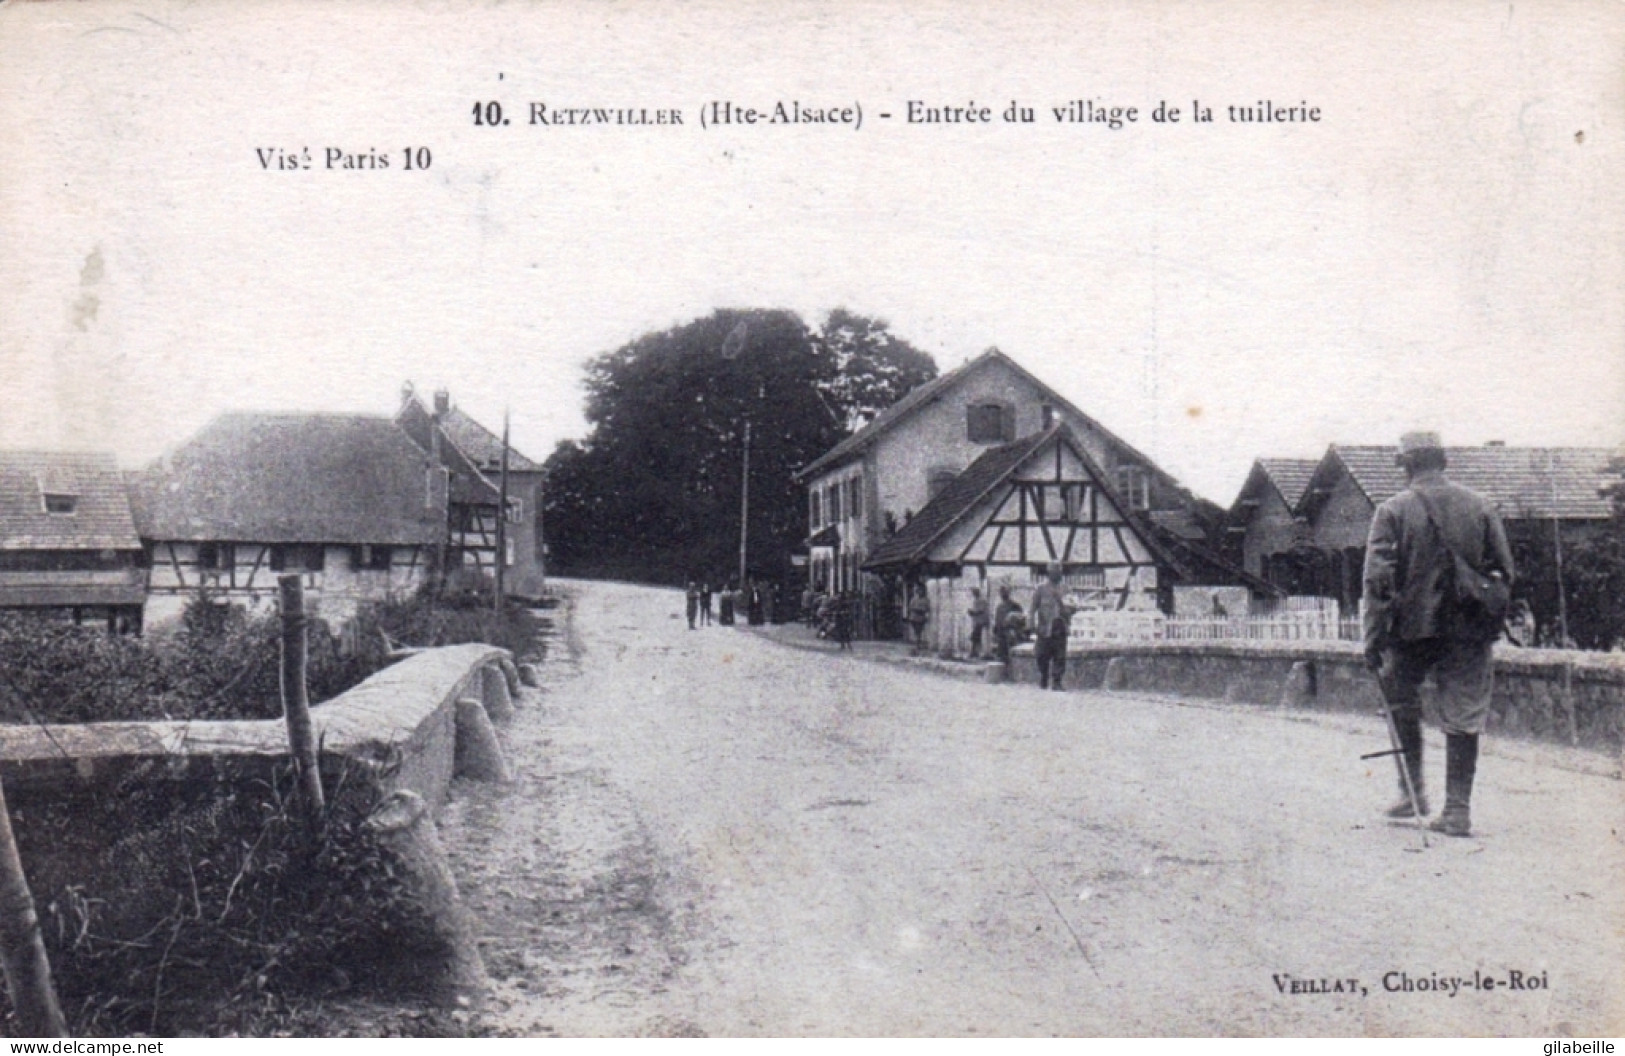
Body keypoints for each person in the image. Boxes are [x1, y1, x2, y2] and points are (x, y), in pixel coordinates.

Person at [1363, 431, 1515, 838]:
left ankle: (1413, 793)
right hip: (1468, 628)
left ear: (1407, 465)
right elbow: (1505, 570)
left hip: (1411, 630)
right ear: (1443, 460)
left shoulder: (1392, 510)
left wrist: (1373, 637)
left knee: (1399, 702)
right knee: (1464, 713)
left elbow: (1378, 582)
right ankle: (1457, 810)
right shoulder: (1480, 505)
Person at [1031, 562, 1074, 690]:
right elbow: (1033, 607)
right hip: (1045, 627)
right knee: (1041, 655)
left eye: (1060, 572)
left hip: (1060, 626)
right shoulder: (1040, 589)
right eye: (1056, 572)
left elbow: (1070, 609)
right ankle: (1044, 676)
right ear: (1050, 573)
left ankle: (1057, 681)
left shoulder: (1066, 589)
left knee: (1060, 655)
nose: (1059, 575)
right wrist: (1031, 623)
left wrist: (1060, 601)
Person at [993, 585, 1022, 666]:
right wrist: (996, 629)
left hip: (1009, 631)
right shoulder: (999, 606)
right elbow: (997, 619)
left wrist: (1015, 628)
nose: (1003, 594)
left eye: (1004, 592)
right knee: (1001, 651)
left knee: (1011, 650)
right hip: (1001, 631)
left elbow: (1019, 617)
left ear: (1008, 593)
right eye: (1001, 593)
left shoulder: (1014, 605)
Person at [967, 587, 991, 660]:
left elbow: (981, 610)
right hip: (978, 622)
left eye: (974, 592)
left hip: (982, 622)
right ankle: (974, 652)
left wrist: (973, 612)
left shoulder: (982, 600)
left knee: (977, 637)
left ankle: (977, 653)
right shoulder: (976, 600)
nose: (973, 594)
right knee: (975, 637)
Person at [906, 585, 931, 655]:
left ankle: (918, 644)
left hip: (920, 618)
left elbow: (927, 609)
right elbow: (911, 607)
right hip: (914, 617)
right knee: (916, 631)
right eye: (919, 591)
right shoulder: (914, 599)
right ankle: (917, 644)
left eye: (921, 591)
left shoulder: (925, 600)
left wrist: (920, 610)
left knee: (919, 631)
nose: (920, 592)